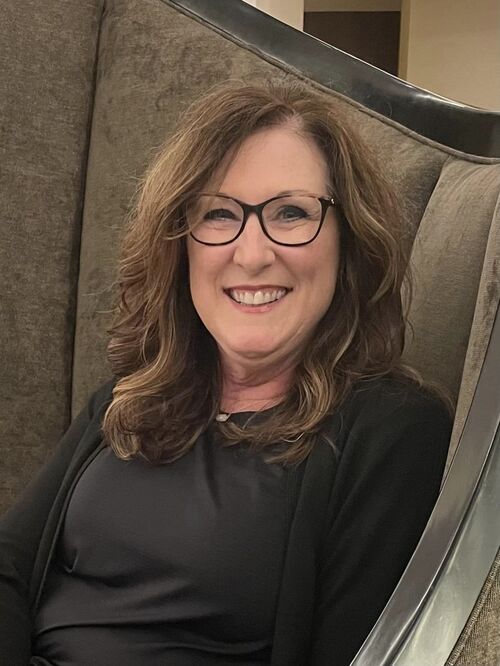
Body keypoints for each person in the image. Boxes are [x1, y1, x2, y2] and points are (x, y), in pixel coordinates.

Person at [0, 80, 452, 666]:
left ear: (349, 241)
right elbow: (10, 567)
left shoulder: (392, 433)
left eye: (291, 213)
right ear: (180, 244)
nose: (252, 253)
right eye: (219, 214)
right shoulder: (129, 400)